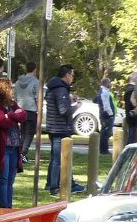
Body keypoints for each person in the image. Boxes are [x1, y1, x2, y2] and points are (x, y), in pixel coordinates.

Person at [44, 64, 86, 196]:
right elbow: (64, 111)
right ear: (67, 75)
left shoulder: (54, 87)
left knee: (56, 158)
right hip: (60, 129)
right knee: (61, 159)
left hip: (54, 127)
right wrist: (76, 106)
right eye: (72, 75)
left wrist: (68, 99)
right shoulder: (61, 89)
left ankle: (52, 183)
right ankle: (55, 187)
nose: (73, 78)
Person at [0, 78, 27, 208]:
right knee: (3, 179)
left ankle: (9, 208)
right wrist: (13, 117)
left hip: (14, 148)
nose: (12, 91)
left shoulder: (12, 104)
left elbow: (24, 116)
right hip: (2, 148)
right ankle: (5, 209)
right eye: (10, 89)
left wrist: (10, 116)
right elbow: (1, 122)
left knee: (10, 180)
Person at [14, 62, 40, 162]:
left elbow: (15, 96)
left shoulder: (18, 81)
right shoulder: (35, 82)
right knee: (29, 133)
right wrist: (39, 109)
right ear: (35, 70)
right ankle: (22, 153)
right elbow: (37, 97)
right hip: (31, 110)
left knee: (23, 133)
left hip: (20, 110)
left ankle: (20, 152)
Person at [95, 77, 117, 154]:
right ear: (106, 83)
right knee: (106, 133)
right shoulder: (104, 92)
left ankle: (103, 149)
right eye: (109, 83)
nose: (110, 84)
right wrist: (111, 114)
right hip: (106, 116)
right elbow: (106, 106)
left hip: (104, 115)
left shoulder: (102, 91)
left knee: (106, 132)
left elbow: (95, 100)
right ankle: (104, 150)